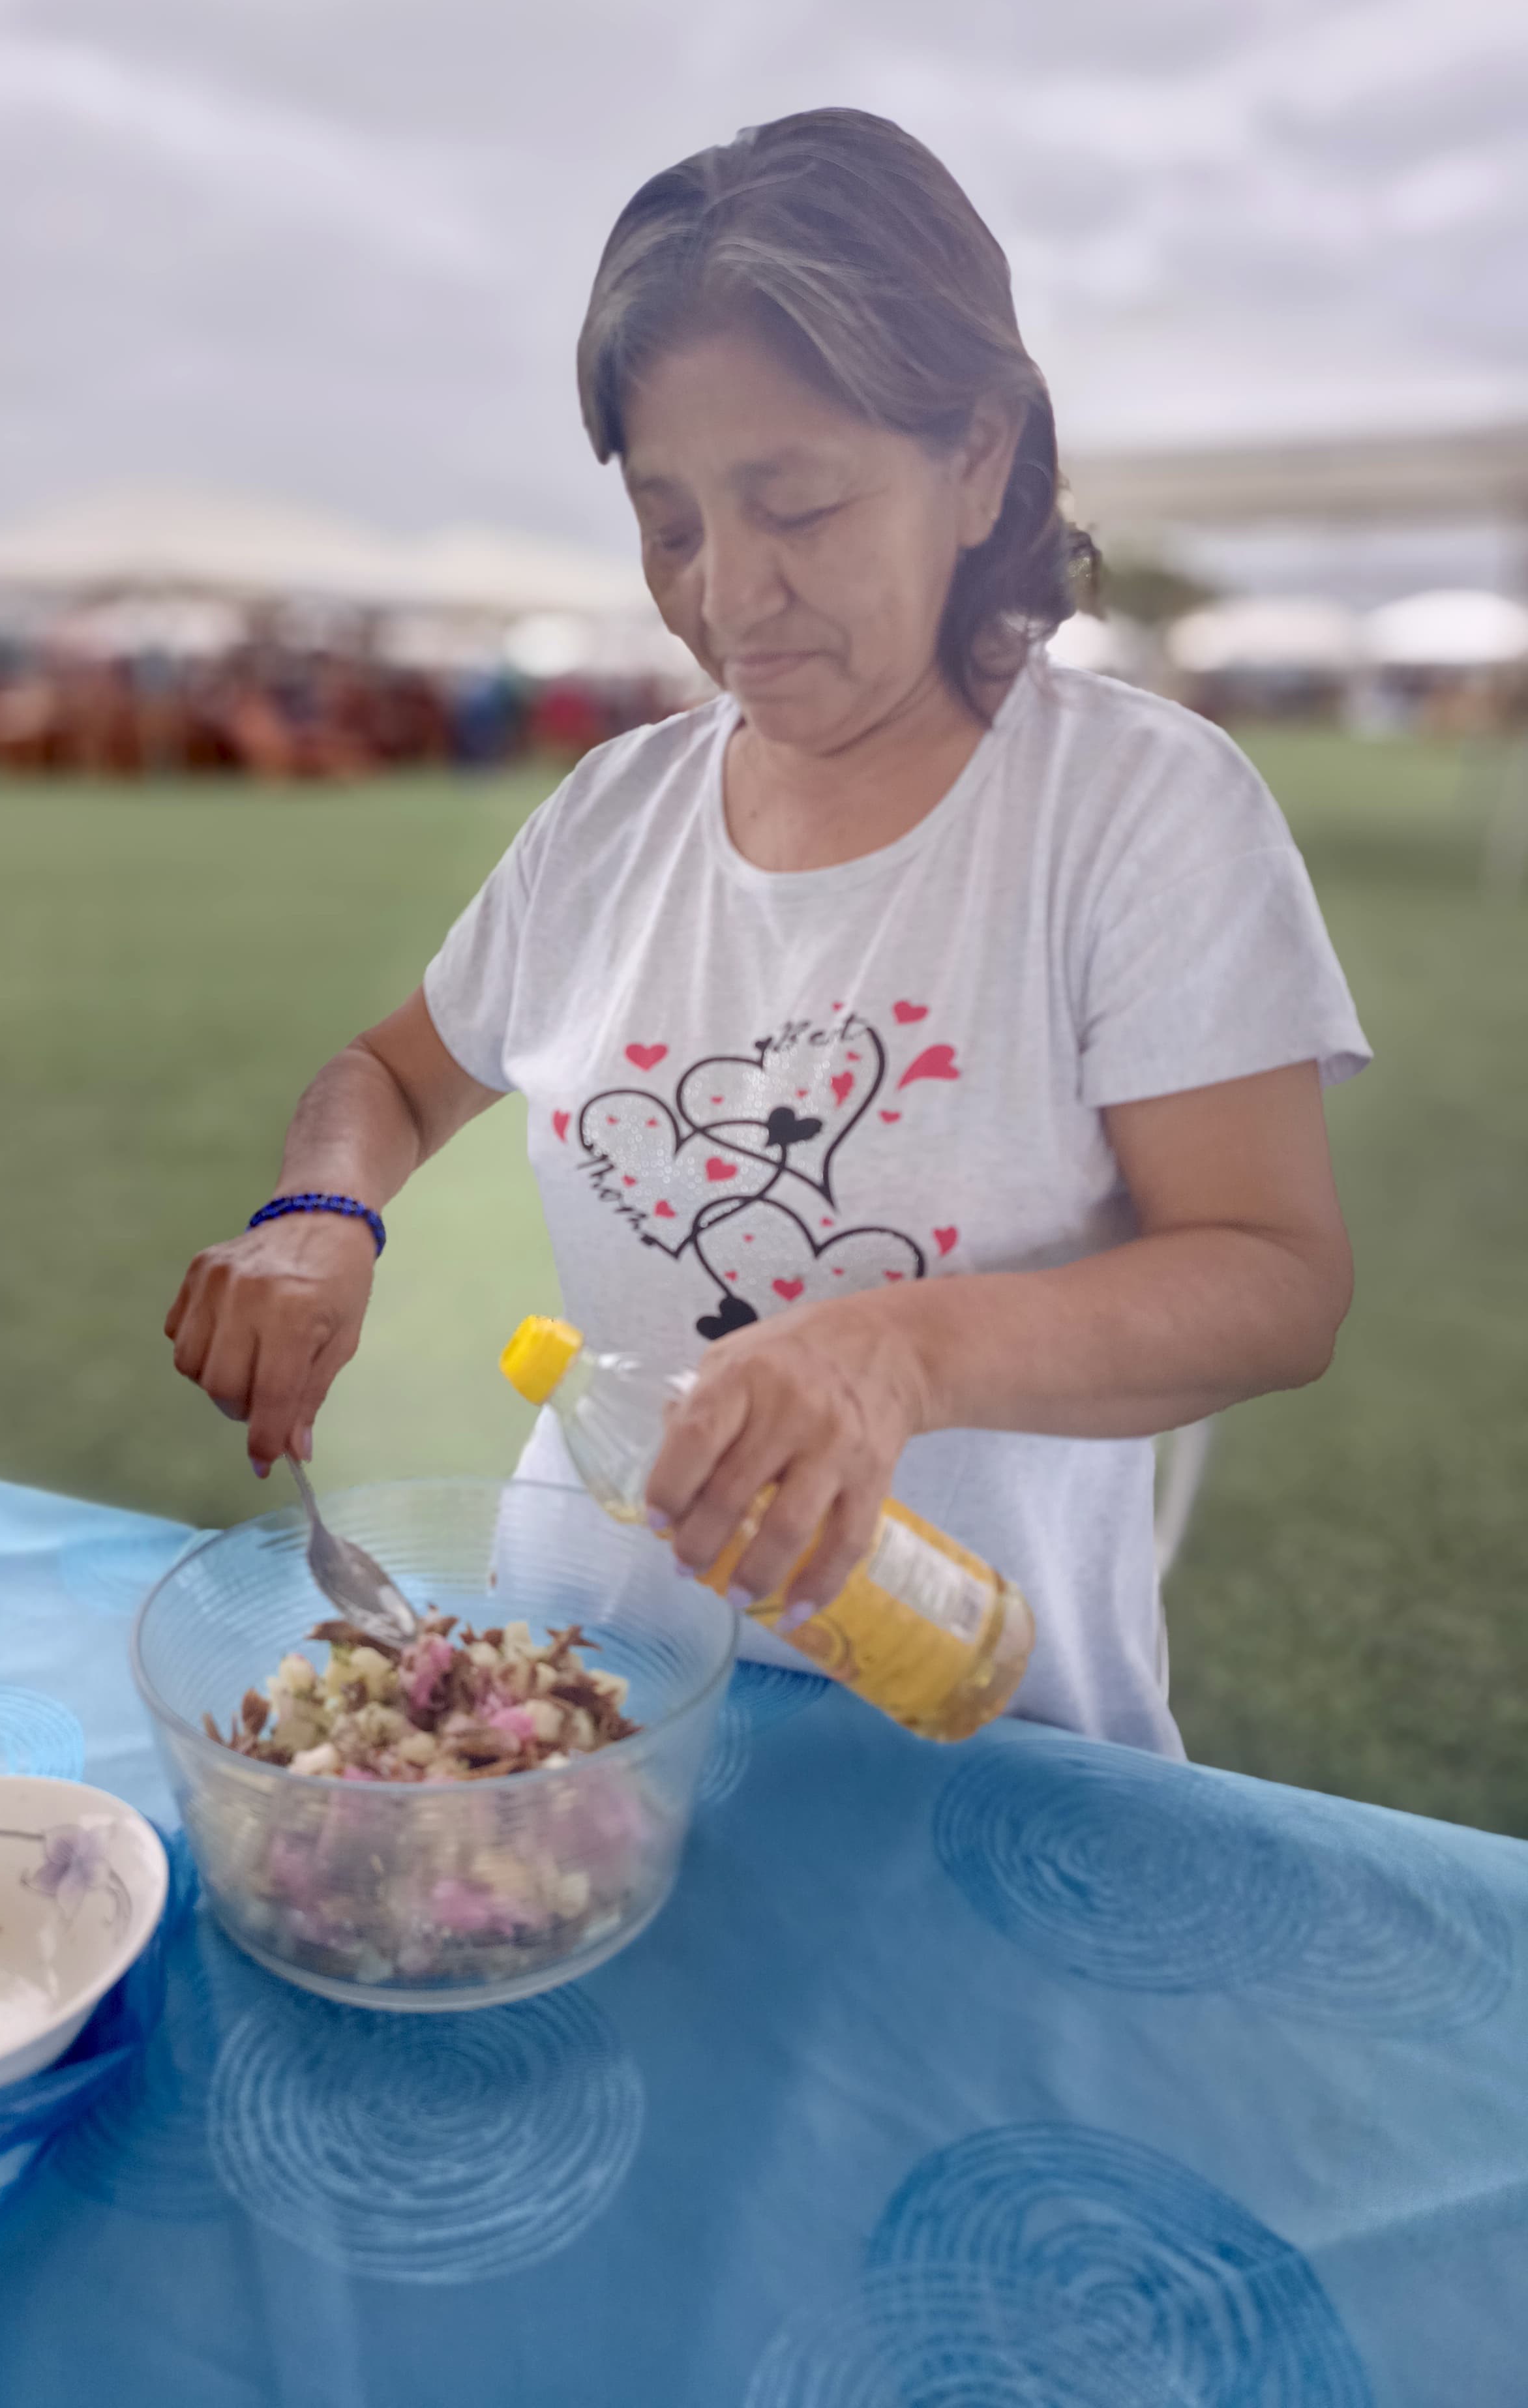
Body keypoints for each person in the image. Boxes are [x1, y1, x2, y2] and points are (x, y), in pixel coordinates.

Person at [165, 110, 1367, 1756]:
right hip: (580, 1711)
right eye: (670, 525)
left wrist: (901, 1354)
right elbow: (389, 1074)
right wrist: (321, 1211)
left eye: (794, 504)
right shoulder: (613, 815)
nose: (726, 596)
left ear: (981, 459)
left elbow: (1275, 1281)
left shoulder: (1135, 811)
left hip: (975, 1736)